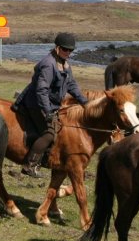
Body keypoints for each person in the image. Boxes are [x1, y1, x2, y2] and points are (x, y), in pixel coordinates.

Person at [11, 32, 88, 178]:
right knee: (49, 134)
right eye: (65, 49)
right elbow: (41, 90)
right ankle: (30, 165)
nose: (68, 53)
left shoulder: (64, 63)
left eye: (71, 50)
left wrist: (84, 101)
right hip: (36, 104)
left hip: (51, 104)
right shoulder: (49, 64)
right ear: (57, 48)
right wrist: (47, 112)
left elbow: (71, 84)